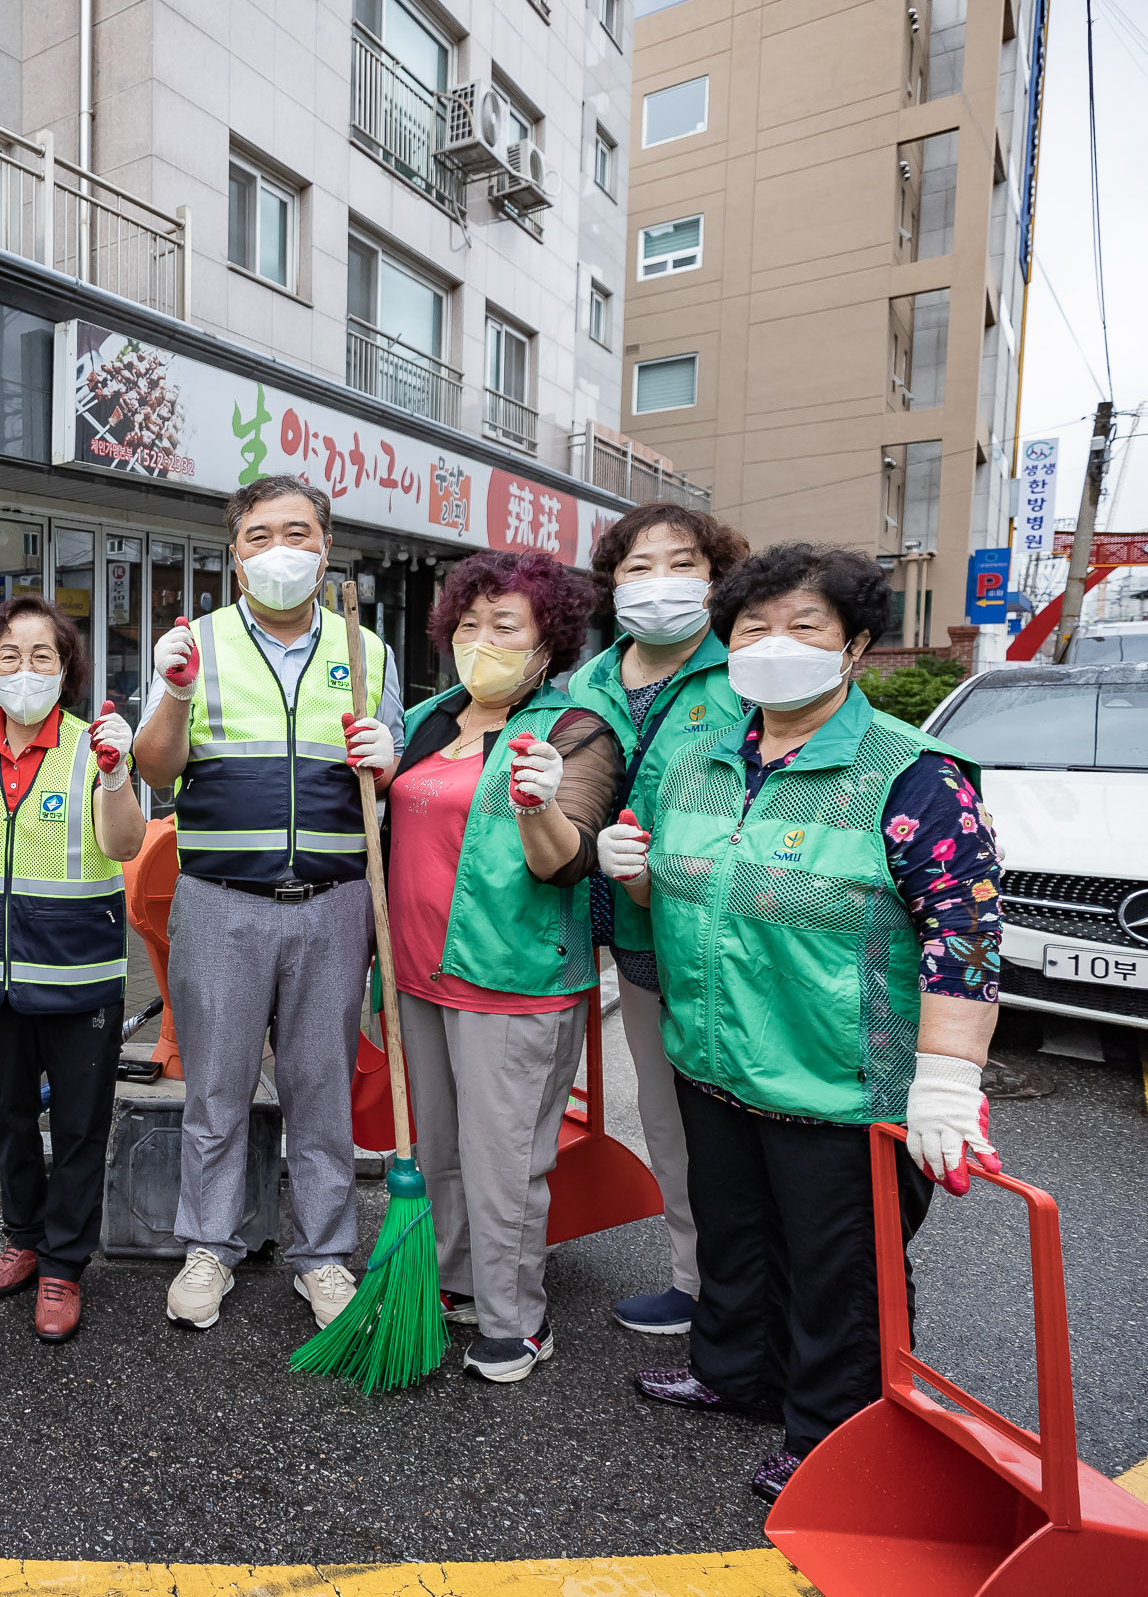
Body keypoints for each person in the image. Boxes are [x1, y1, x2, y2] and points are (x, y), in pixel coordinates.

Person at [600, 542, 1004, 1503]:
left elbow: (967, 935)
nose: (775, 646)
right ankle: (732, 1369)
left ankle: (836, 1434)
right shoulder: (699, 759)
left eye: (805, 626)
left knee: (841, 1271)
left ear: (856, 645)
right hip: (715, 1058)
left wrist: (947, 1085)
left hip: (844, 1084)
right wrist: (633, 865)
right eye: (754, 628)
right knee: (734, 1237)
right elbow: (688, 883)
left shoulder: (913, 776)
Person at [132, 476, 402, 1333]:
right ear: (235, 555)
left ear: (326, 548)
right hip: (220, 901)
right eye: (258, 535)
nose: (279, 548)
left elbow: (385, 787)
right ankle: (208, 1245)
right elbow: (155, 768)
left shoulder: (369, 651)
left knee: (320, 1088)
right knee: (215, 1087)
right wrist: (175, 691)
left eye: (297, 531)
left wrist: (387, 756)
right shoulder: (195, 643)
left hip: (334, 901)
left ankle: (322, 1257)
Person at [386, 550, 616, 1384]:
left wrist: (540, 804)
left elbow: (567, 861)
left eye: (505, 626)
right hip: (417, 971)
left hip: (514, 980)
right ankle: (454, 1283)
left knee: (505, 1160)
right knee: (440, 1148)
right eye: (470, 624)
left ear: (548, 642)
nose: (482, 640)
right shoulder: (431, 718)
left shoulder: (573, 730)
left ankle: (517, 1319)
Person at [0, 596, 144, 1343]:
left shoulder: (93, 746)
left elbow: (124, 843)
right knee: (12, 1116)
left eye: (41, 654)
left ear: (66, 667)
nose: (25, 668)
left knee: (79, 1126)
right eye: (8, 655)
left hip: (81, 980)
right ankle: (22, 1233)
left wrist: (117, 775)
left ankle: (63, 1262)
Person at [570, 504, 751, 1339]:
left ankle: (753, 1289)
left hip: (717, 935)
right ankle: (695, 1278)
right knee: (665, 1108)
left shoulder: (746, 675)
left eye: (683, 565)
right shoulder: (588, 679)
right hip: (618, 929)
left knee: (736, 1112)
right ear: (612, 583)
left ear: (716, 579)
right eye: (638, 568)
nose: (661, 584)